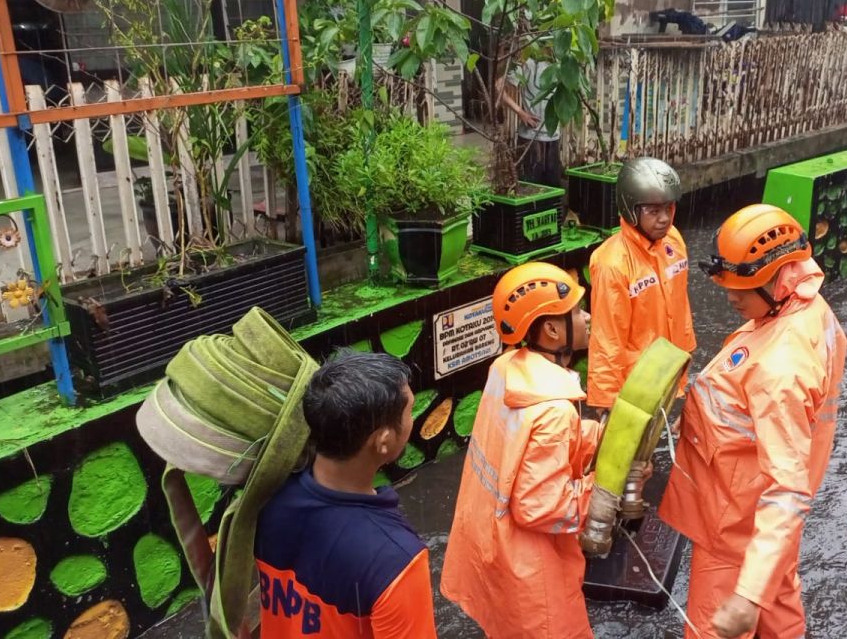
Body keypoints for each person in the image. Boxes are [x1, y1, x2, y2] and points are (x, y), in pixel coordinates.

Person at [659, 204, 847, 639]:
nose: (729, 297)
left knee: (716, 625)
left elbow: (786, 488)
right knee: (779, 608)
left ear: (778, 278)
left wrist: (746, 593)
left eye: (740, 287)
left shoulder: (779, 368)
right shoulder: (811, 310)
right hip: (765, 532)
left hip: (737, 522)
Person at [441, 263, 602, 638]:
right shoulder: (554, 409)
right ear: (550, 329)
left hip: (491, 545)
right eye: (577, 311)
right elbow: (543, 506)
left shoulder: (506, 369)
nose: (587, 317)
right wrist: (601, 487)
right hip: (531, 569)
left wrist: (594, 436)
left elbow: (520, 447)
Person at [254, 352, 436, 638]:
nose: (412, 419)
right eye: (409, 411)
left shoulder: (267, 500)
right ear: (383, 441)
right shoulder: (395, 560)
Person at [586, 157, 696, 410]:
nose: (664, 219)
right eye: (653, 211)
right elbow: (607, 339)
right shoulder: (612, 263)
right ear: (631, 210)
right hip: (637, 383)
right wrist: (607, 403)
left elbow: (680, 307)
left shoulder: (674, 241)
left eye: (669, 208)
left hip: (673, 368)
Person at [500, 55, 562, 188]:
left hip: (553, 138)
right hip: (530, 139)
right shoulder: (526, 62)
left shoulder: (560, 61)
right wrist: (521, 113)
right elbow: (498, 86)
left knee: (554, 189)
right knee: (530, 188)